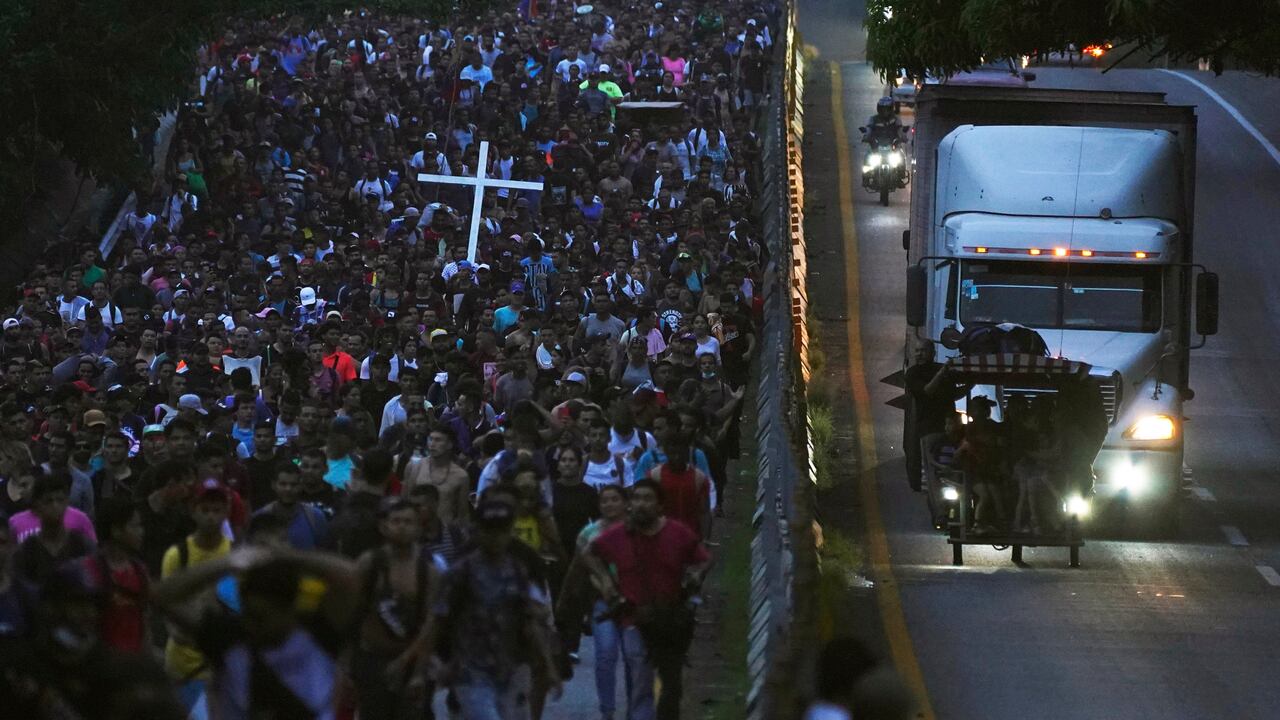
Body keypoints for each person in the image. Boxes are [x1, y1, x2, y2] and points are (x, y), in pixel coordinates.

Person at [152, 544, 361, 720]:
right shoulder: (231, 636)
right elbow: (161, 596)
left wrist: (282, 556)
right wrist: (227, 563)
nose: (252, 625)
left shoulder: (318, 633)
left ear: (288, 609)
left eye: (261, 617)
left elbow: (351, 576)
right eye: (248, 614)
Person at [412, 495, 562, 720]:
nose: (496, 538)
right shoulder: (461, 573)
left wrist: (547, 666)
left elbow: (531, 620)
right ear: (479, 531)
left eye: (502, 531)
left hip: (508, 669)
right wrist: (420, 671)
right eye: (490, 531)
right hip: (470, 671)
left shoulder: (517, 571)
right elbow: (436, 622)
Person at [585, 479, 712, 720]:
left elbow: (704, 557)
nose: (641, 504)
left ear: (660, 505)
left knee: (672, 686)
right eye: (637, 498)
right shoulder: (619, 535)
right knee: (642, 682)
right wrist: (606, 583)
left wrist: (696, 576)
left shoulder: (677, 532)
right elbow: (590, 553)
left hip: (670, 620)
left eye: (647, 499)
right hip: (634, 618)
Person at [352, 497, 441, 720]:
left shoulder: (428, 572)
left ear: (419, 528)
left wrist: (419, 672)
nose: (402, 526)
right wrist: (345, 665)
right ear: (384, 526)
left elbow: (431, 625)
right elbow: (351, 612)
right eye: (396, 521)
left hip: (411, 659)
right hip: (371, 660)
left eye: (408, 521)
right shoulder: (368, 564)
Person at [253, 463, 331, 550]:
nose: (288, 489)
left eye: (293, 484)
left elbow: (324, 554)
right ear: (273, 485)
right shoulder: (260, 518)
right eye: (283, 484)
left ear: (301, 485)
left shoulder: (315, 518)